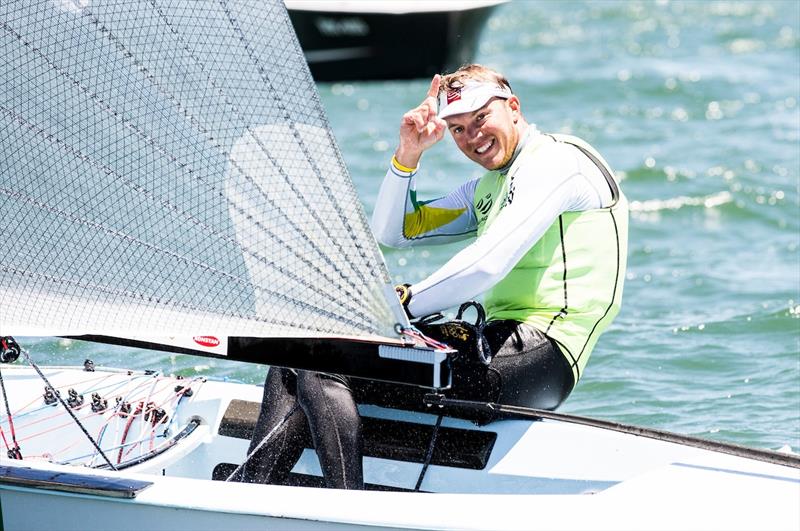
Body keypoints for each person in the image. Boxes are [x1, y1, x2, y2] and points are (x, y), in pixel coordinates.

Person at [238, 63, 627, 490]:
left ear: (513, 107)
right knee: (297, 360)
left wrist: (400, 306)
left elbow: (485, 265)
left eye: (481, 119)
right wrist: (409, 153)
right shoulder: (486, 189)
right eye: (458, 129)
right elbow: (397, 231)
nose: (472, 136)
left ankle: (347, 511)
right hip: (493, 341)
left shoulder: (557, 162)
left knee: (323, 369)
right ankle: (248, 496)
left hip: (542, 357)